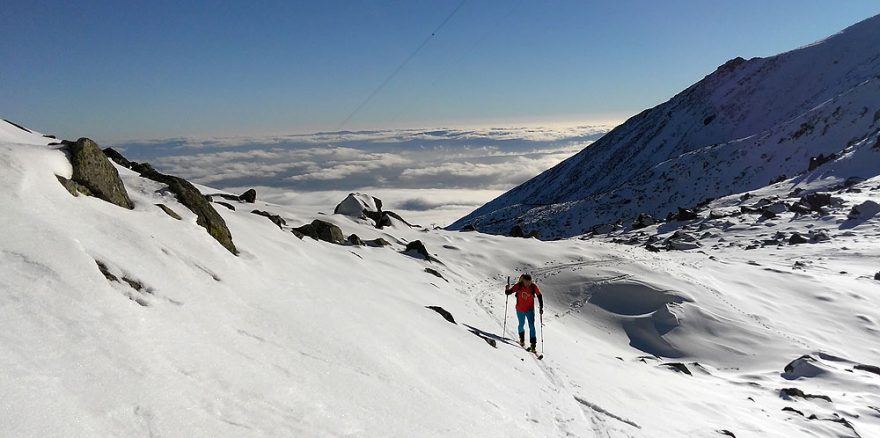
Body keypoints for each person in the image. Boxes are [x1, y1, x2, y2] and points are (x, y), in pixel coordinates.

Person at [505, 274, 543, 352]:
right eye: (526, 282)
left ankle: (533, 345)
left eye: (529, 282)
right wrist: (507, 289)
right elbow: (509, 292)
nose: (528, 284)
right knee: (521, 324)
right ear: (523, 281)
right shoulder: (519, 286)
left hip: (530, 310)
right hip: (520, 310)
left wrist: (541, 307)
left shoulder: (533, 287)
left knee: (532, 326)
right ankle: (522, 340)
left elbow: (539, 295)